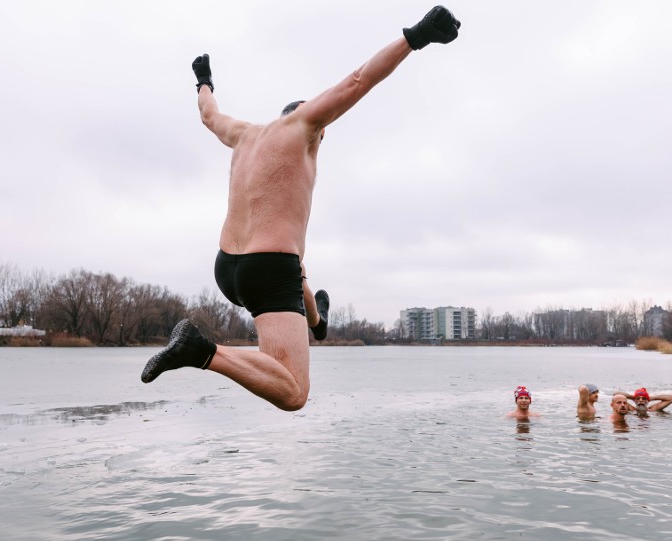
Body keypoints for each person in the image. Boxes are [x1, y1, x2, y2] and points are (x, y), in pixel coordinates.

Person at [140, 7, 461, 411]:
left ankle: (318, 320)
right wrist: (416, 36)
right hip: (269, 272)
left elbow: (209, 115)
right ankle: (201, 350)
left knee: (301, 274)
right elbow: (359, 81)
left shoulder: (244, 135)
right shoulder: (306, 125)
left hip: (227, 268)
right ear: (316, 125)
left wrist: (203, 79)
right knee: (293, 392)